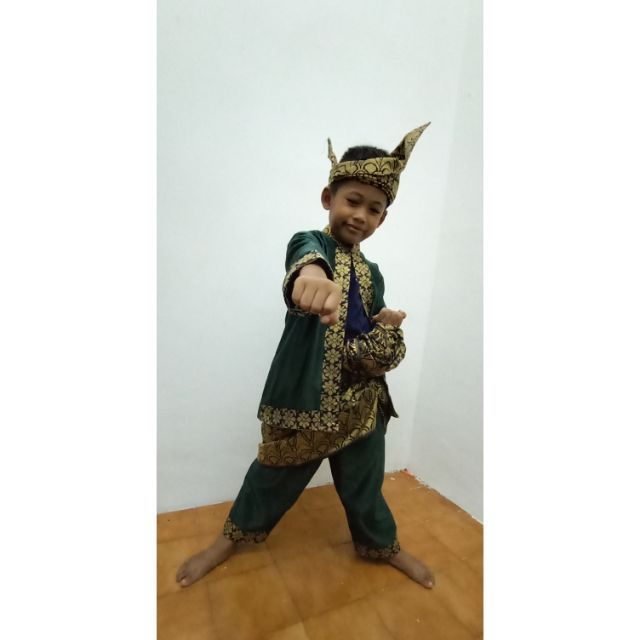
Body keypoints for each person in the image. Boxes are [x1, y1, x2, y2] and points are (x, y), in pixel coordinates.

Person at [176, 123, 435, 589]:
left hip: (362, 401)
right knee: (272, 474)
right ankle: (227, 541)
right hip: (306, 398)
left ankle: (383, 545)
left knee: (365, 484)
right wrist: (311, 278)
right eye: (352, 201)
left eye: (374, 209)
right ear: (328, 198)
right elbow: (304, 261)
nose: (361, 215)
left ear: (382, 220)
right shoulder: (308, 243)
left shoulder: (374, 271)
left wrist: (385, 326)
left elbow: (369, 322)